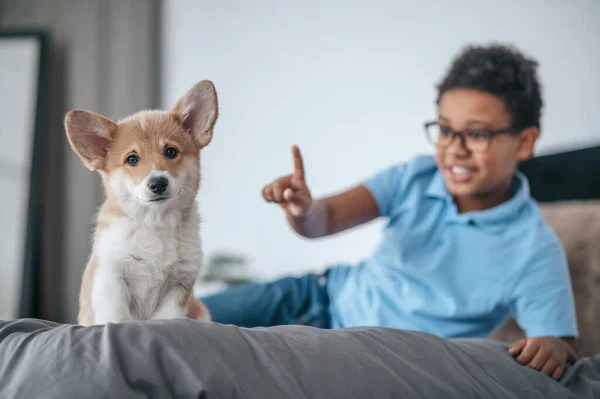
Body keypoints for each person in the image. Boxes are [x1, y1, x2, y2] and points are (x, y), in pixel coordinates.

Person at [201, 43, 579, 380]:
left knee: (212, 363)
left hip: (378, 358)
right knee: (179, 321)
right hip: (316, 298)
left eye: (477, 134)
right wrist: (303, 208)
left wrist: (552, 347)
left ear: (525, 141)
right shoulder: (416, 176)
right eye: (446, 131)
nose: (454, 150)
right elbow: (325, 219)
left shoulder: (534, 248)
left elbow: (558, 344)